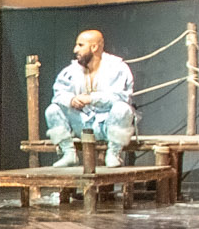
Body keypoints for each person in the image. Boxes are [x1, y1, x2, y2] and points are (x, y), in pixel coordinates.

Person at [44, 29, 136, 169]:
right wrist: (71, 100)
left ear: (94, 47)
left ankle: (113, 153)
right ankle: (68, 153)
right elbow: (58, 94)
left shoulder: (117, 68)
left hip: (106, 123)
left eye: (80, 45)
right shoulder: (71, 70)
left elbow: (121, 97)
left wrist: (92, 98)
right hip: (81, 123)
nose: (75, 50)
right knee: (52, 110)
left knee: (123, 109)